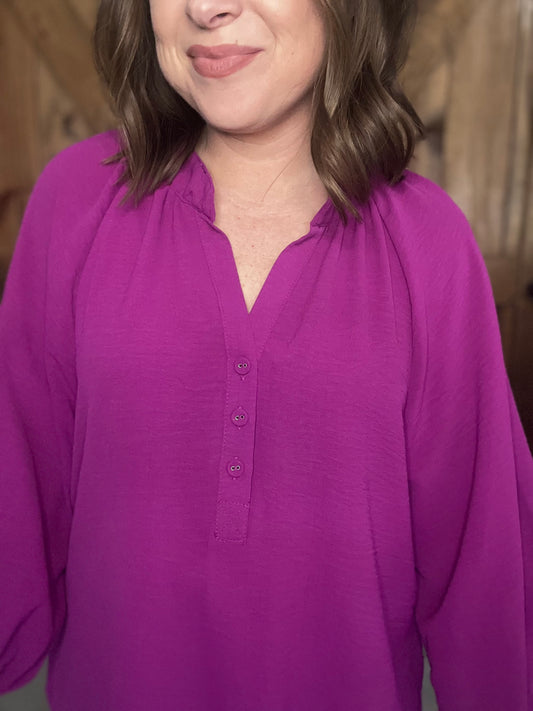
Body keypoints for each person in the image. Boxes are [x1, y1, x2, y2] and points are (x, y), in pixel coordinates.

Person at [0, 0, 532, 709]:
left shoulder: (428, 245)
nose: (205, 7)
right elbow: (14, 495)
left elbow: (485, 579)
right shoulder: (76, 202)